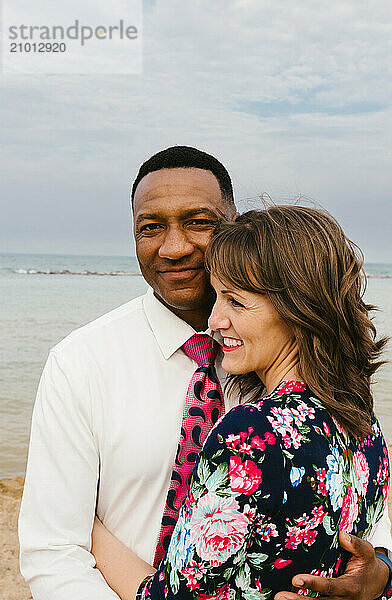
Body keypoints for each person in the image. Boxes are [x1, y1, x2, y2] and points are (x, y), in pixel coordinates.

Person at [18, 146, 392, 600]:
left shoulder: (318, 392)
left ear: (233, 224)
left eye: (198, 222)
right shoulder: (80, 362)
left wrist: (380, 571)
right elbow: (54, 549)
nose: (174, 248)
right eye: (150, 227)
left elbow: (364, 517)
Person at [90, 205, 391, 599]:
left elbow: (169, 597)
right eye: (217, 297)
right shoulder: (362, 418)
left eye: (235, 301)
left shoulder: (251, 433)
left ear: (297, 310)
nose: (214, 320)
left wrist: (88, 525)